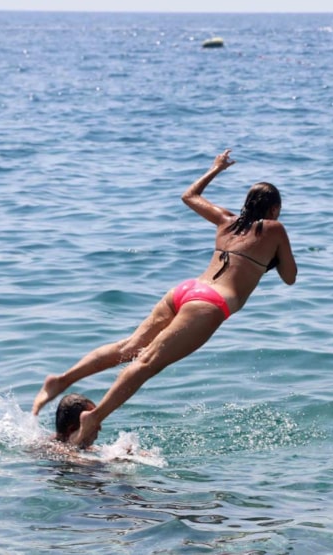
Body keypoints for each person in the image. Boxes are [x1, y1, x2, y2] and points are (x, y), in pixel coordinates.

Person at [32, 149, 297, 447]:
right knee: (147, 363)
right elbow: (290, 277)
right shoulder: (275, 228)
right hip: (210, 305)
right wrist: (272, 258)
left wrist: (216, 169)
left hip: (185, 290)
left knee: (128, 347)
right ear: (274, 209)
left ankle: (62, 379)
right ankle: (94, 417)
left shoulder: (226, 221)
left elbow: (189, 196)